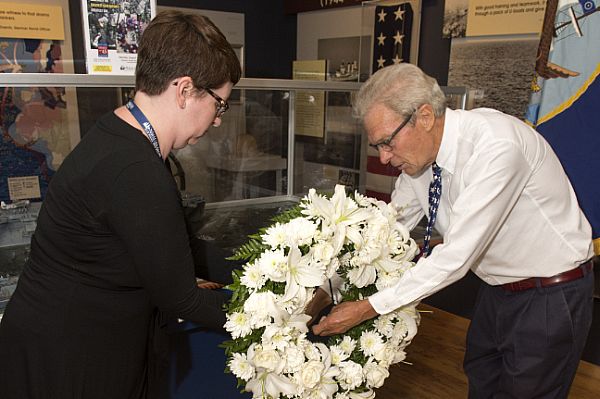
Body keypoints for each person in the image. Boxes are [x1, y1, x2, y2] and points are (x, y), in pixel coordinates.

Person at [312, 63, 594, 398]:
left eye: (387, 142)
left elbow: (457, 255)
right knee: (482, 382)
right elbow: (385, 233)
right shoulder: (418, 164)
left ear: (426, 117)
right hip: (497, 289)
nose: (385, 158)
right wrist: (329, 289)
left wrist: (368, 307)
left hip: (550, 293)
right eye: (378, 147)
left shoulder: (496, 147)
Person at [0, 10, 241, 399]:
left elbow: (171, 243)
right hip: (70, 354)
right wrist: (275, 319)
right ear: (183, 90)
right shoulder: (134, 168)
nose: (217, 120)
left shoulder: (123, 137)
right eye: (220, 103)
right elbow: (181, 297)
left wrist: (254, 269)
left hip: (73, 338)